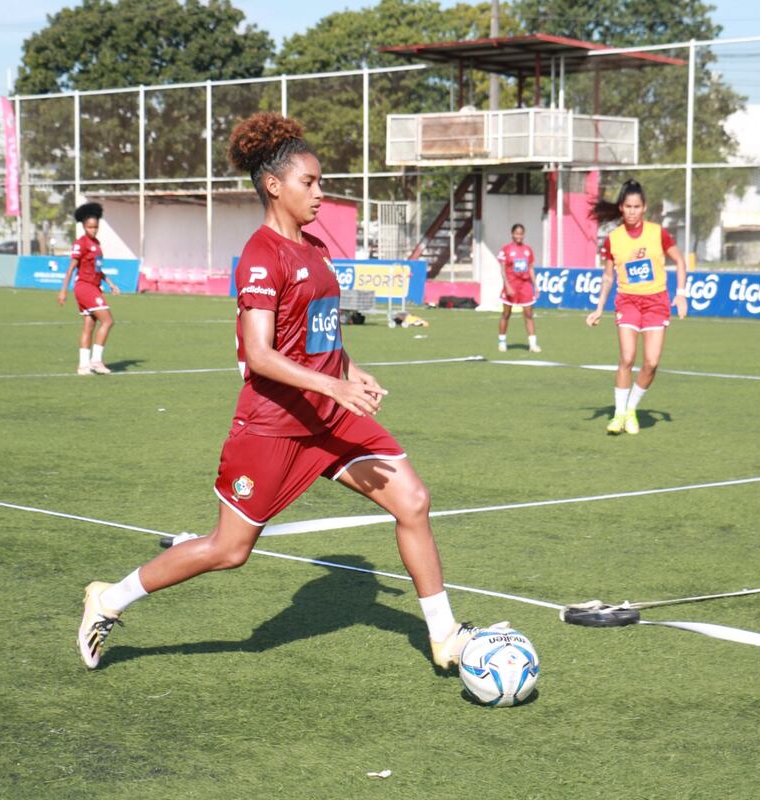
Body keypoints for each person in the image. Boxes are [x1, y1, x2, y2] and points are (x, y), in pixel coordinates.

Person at [78, 112, 489, 671]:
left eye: (320, 182)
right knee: (229, 550)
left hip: (331, 415)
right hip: (275, 422)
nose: (320, 193)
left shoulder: (316, 248)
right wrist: (332, 384)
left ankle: (444, 637)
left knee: (413, 501)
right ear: (275, 186)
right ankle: (107, 597)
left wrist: (351, 368)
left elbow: (320, 331)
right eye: (310, 182)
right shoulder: (260, 256)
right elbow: (262, 355)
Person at [585, 179, 687, 435]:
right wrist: (599, 307)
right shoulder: (613, 239)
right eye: (628, 206)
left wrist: (682, 294)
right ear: (621, 208)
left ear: (644, 208)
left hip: (656, 302)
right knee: (627, 358)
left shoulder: (657, 233)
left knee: (651, 363)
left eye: (636, 206)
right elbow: (608, 276)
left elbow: (680, 260)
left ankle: (631, 409)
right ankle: (619, 416)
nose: (632, 211)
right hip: (628, 301)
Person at [58, 202, 120, 375]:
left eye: (96, 227)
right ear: (83, 226)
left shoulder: (97, 244)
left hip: (94, 286)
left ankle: (83, 366)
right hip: (85, 287)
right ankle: (96, 361)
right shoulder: (81, 243)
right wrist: (63, 290)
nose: (93, 230)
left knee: (89, 324)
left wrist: (110, 283)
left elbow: (98, 269)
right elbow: (71, 267)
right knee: (108, 321)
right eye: (90, 227)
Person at [497, 223, 540, 353]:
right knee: (506, 314)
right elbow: (503, 270)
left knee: (528, 315)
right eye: (516, 233)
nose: (519, 236)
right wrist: (507, 286)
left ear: (523, 234)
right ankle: (502, 342)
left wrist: (536, 286)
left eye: (521, 233)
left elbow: (531, 268)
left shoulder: (528, 250)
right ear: (512, 234)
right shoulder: (506, 249)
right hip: (511, 285)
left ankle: (533, 345)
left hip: (525, 286)